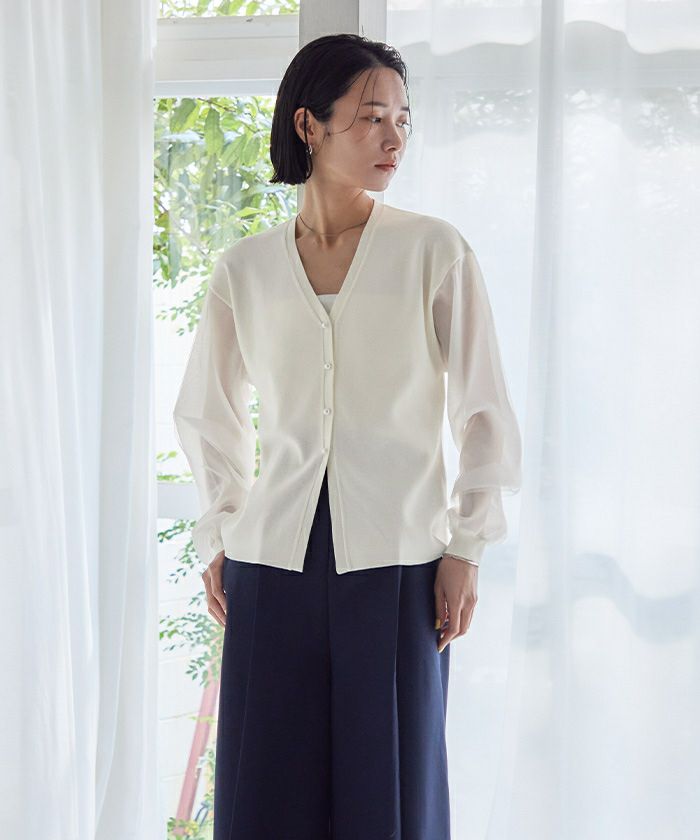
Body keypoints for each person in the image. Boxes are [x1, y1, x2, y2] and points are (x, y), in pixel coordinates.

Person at [173, 32, 522, 840]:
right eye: (371, 117)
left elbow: (484, 411)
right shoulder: (245, 270)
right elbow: (206, 412)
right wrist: (220, 531)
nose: (394, 136)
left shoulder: (433, 249)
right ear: (309, 124)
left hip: (399, 563)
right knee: (265, 798)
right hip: (271, 563)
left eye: (403, 118)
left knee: (390, 798)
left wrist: (467, 545)